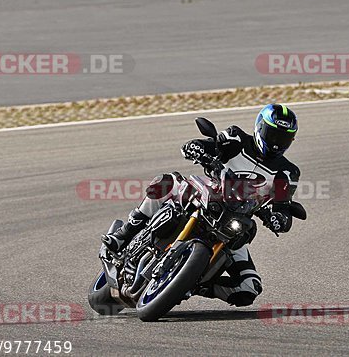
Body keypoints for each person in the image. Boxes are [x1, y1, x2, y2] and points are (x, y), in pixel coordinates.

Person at [101, 103, 301, 307]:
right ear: (260, 127)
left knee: (249, 288)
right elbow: (209, 144)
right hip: (208, 194)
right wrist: (197, 148)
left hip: (235, 222)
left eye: (283, 138)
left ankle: (191, 284)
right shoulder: (237, 138)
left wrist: (279, 219)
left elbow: (282, 206)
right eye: (273, 134)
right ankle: (124, 234)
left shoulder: (286, 173)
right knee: (167, 182)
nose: (276, 142)